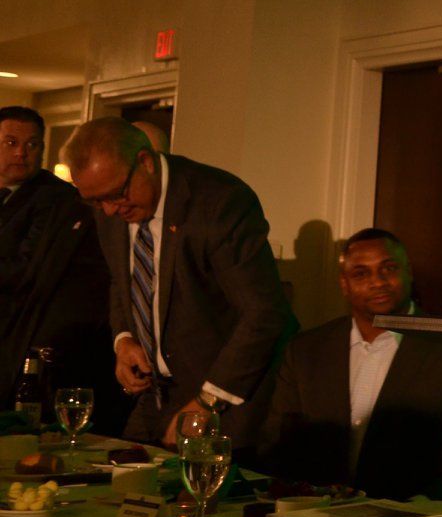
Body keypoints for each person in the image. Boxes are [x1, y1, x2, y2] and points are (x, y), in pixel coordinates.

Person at [63, 118, 295, 449]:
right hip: (156, 395)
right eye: (96, 201)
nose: (110, 210)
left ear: (145, 162)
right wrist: (124, 340)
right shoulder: (110, 205)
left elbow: (264, 313)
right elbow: (121, 279)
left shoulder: (219, 202)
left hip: (228, 395)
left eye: (116, 194)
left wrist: (208, 401)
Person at [259, 228, 442, 499]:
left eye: (388, 268)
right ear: (344, 283)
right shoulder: (306, 351)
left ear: (408, 271)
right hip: (314, 515)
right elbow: (277, 445)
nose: (378, 282)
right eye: (361, 274)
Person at [0, 107, 114, 424]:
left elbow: (28, 268)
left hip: (26, 334)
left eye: (32, 144)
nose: (22, 153)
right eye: (10, 143)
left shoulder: (57, 199)